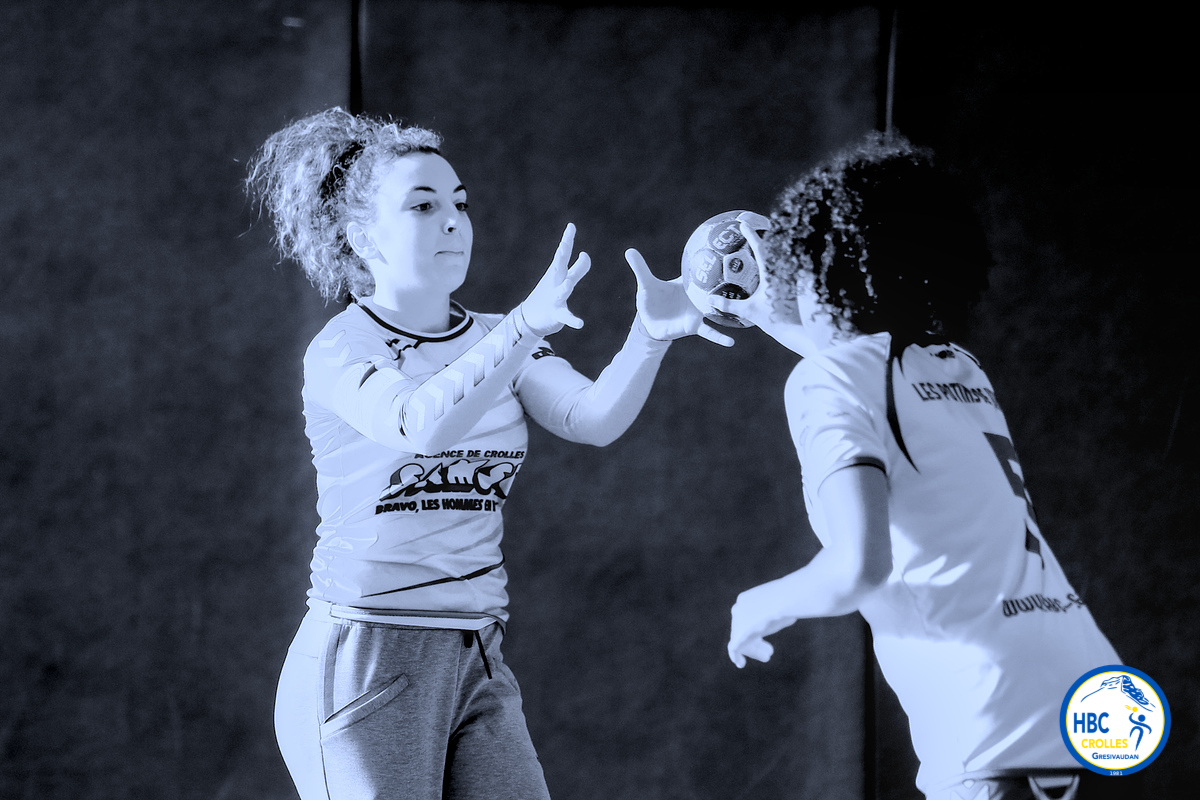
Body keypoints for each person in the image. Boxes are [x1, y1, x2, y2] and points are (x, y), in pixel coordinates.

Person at [245, 107, 732, 800]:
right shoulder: (341, 349)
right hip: (366, 653)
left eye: (460, 203)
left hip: (476, 652)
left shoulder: (499, 337)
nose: (453, 221)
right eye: (423, 205)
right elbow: (418, 425)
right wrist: (524, 326)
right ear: (360, 234)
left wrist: (648, 338)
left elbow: (590, 417)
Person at [720, 133, 1123, 800]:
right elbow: (861, 372)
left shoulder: (829, 382)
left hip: (990, 711)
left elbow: (858, 567)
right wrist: (769, 318)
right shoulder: (958, 369)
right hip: (1092, 689)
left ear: (820, 274)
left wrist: (760, 603)